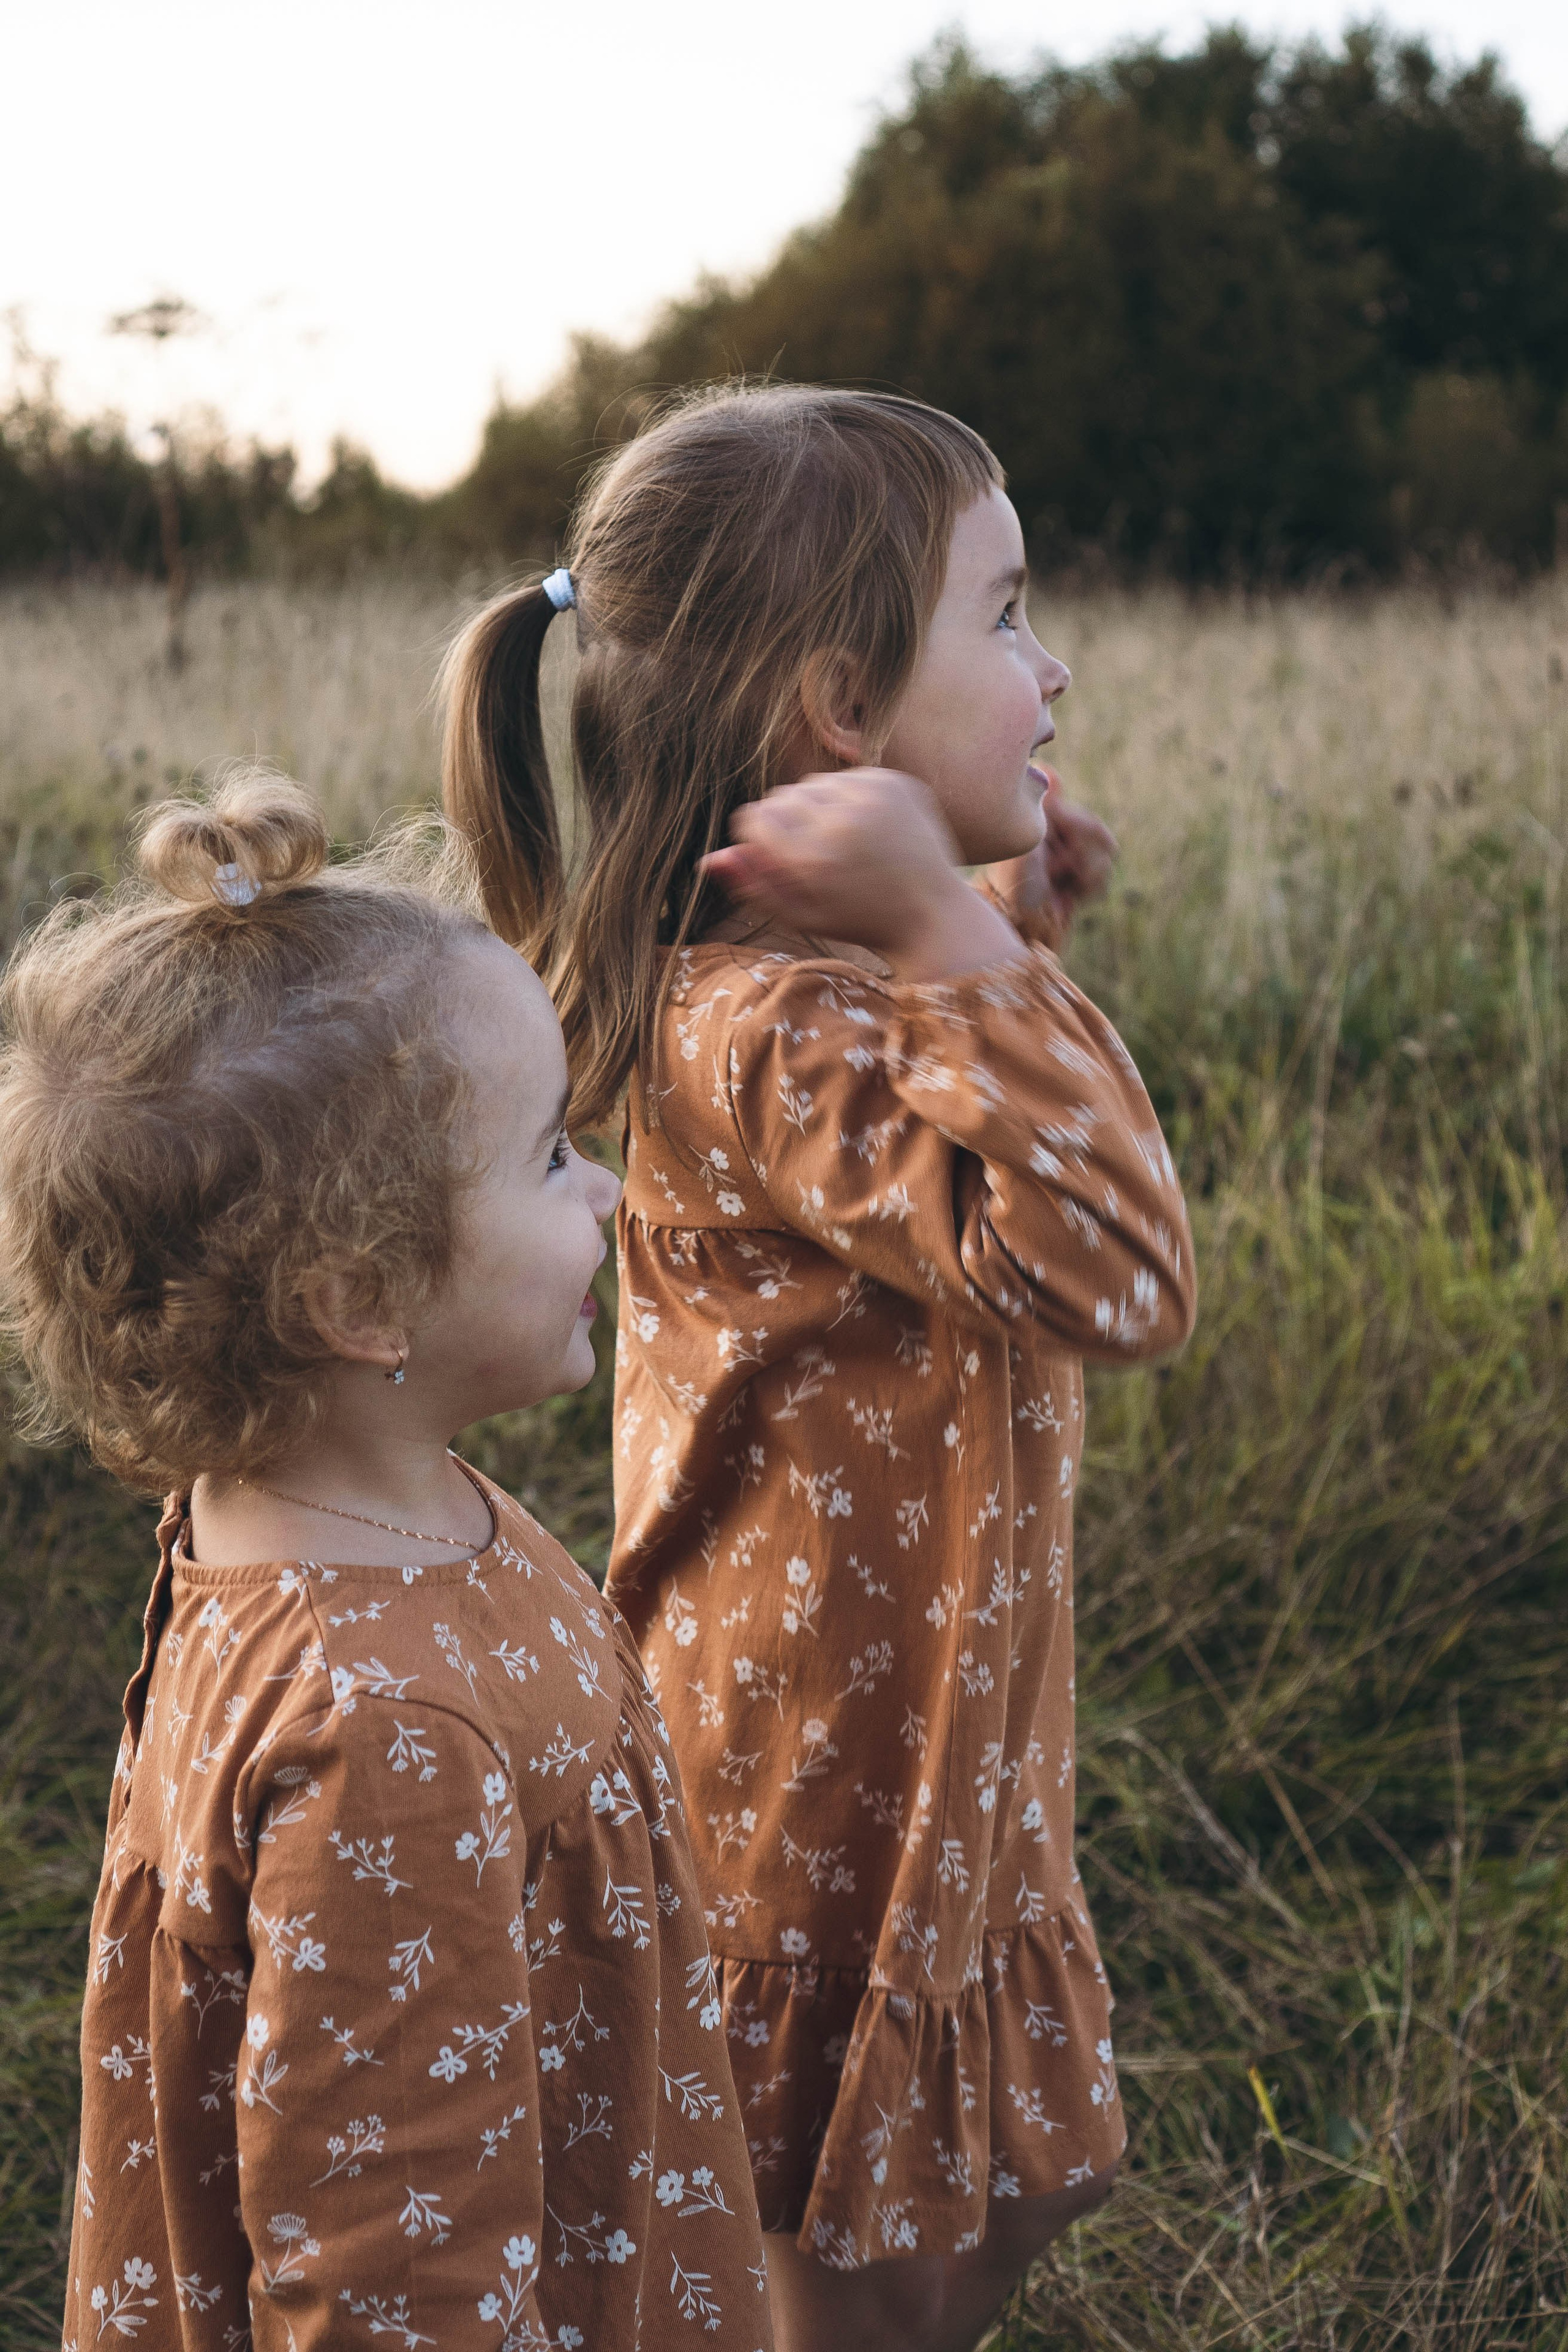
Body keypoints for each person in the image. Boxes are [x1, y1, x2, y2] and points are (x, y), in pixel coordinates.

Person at [441, 385, 1197, 2352]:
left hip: (926, 1747)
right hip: (811, 1779)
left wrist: (991, 910)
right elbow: (1113, 1267)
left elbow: (969, 1143)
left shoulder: (831, 986)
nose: (1055, 668)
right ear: (841, 716)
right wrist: (965, 932)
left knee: (996, 2196)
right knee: (847, 2279)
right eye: (1007, 616)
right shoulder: (766, 1027)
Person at [0, 774, 772, 2352]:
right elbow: (389, 2270)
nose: (611, 1192)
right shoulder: (385, 1735)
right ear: (364, 1299)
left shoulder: (307, 1512)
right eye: (553, 1158)